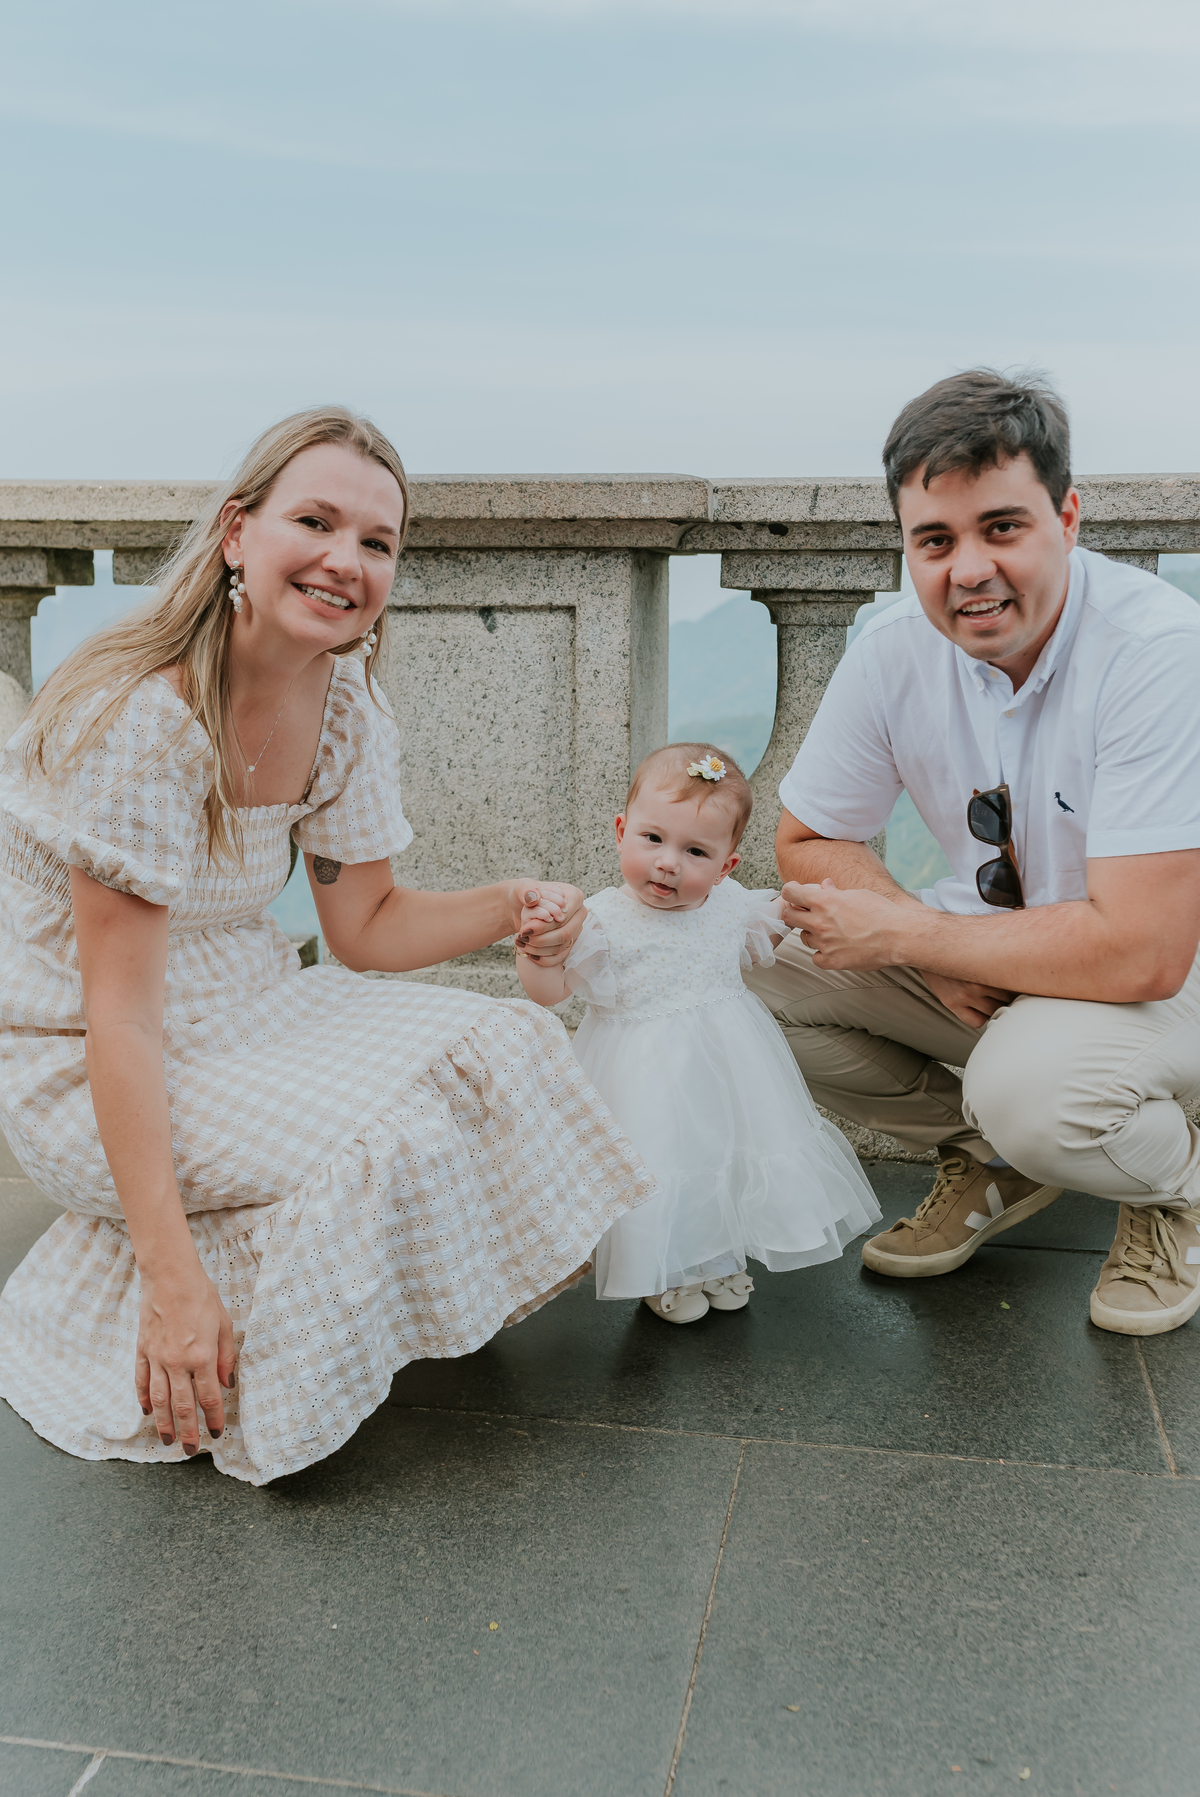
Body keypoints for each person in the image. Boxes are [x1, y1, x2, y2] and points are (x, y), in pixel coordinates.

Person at [0, 406, 653, 1485]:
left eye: (378, 542)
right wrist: (173, 1285)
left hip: (252, 999)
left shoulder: (341, 698)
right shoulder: (141, 720)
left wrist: (509, 904)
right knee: (381, 1140)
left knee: (510, 1047)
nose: (346, 561)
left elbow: (365, 930)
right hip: (86, 1052)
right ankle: (172, 1297)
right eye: (316, 521)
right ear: (234, 535)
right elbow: (118, 1015)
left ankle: (294, 1287)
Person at [746, 369, 1200, 1336]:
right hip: (1002, 967)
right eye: (934, 540)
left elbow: (1144, 950)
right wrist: (922, 945)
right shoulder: (892, 647)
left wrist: (924, 937)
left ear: (1068, 517)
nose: (969, 570)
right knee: (735, 970)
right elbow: (807, 839)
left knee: (1032, 1090)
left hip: (1171, 980)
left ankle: (1178, 1187)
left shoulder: (1157, 653)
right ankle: (992, 1156)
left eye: (1003, 528)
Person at [515, 743, 880, 1323]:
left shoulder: (731, 905)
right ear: (620, 831)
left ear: (726, 866)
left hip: (725, 1062)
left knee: (723, 1155)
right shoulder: (604, 919)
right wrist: (537, 952)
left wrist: (803, 910)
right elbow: (551, 992)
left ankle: (716, 1256)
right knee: (663, 1161)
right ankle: (667, 1269)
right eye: (652, 839)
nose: (668, 864)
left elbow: (764, 944)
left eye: (695, 852)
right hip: (641, 1072)